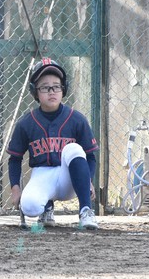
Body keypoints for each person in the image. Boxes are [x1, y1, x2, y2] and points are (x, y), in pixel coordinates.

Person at [7, 58, 99, 229]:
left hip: (70, 178)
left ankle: (86, 210)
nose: (51, 91)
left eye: (56, 86)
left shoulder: (77, 119)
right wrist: (15, 188)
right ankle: (46, 207)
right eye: (45, 87)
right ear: (35, 92)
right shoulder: (26, 123)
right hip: (42, 175)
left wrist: (89, 180)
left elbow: (90, 156)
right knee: (30, 206)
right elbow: (14, 159)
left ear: (63, 89)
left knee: (74, 149)